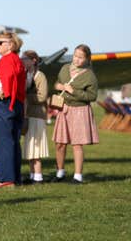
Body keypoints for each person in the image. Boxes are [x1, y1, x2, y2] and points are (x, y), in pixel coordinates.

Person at [50, 44, 99, 184]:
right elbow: (57, 84)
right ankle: (60, 173)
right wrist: (58, 86)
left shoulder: (90, 76)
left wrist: (73, 91)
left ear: (87, 59)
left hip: (80, 111)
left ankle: (78, 176)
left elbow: (92, 96)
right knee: (60, 143)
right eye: (75, 56)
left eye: (80, 57)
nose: (77, 59)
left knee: (77, 144)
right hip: (64, 109)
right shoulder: (65, 68)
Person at [0, 31, 26, 188]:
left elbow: (9, 76)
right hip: (16, 103)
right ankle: (15, 177)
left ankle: (5, 179)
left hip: (4, 104)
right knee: (13, 142)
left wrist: (5, 92)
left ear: (10, 45)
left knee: (3, 142)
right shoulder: (17, 59)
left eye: (0, 42)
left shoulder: (6, 59)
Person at [21, 50, 49, 184]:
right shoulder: (25, 75)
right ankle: (32, 175)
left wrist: (26, 97)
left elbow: (43, 96)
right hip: (27, 114)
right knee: (29, 146)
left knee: (36, 148)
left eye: (25, 59)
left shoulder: (40, 76)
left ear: (33, 60)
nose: (22, 61)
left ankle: (38, 176)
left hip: (37, 114)